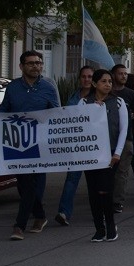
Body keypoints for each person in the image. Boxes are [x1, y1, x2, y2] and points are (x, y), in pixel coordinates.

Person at [0, 51, 61, 241]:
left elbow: (58, 114)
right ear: (21, 66)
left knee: (31, 184)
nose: (36, 66)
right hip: (16, 142)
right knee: (24, 185)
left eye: (39, 63)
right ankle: (40, 216)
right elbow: (3, 110)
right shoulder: (13, 88)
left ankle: (19, 225)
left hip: (40, 144)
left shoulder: (48, 87)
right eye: (31, 63)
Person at [82, 69, 128, 242]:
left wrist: (117, 153)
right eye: (103, 81)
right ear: (94, 84)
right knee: (93, 192)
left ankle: (110, 225)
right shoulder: (84, 102)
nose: (108, 84)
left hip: (109, 154)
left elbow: (123, 129)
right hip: (89, 155)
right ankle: (98, 228)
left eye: (109, 81)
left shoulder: (118, 102)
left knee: (104, 191)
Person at [55, 66, 94, 226]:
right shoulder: (73, 96)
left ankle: (100, 212)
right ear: (79, 78)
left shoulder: (98, 96)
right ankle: (64, 212)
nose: (86, 79)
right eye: (83, 76)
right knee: (71, 179)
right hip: (76, 147)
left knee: (95, 183)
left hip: (92, 147)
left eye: (90, 77)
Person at [111, 64, 134, 211]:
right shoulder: (107, 92)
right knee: (108, 171)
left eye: (125, 74)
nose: (123, 76)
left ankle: (117, 201)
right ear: (113, 75)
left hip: (126, 138)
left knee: (122, 171)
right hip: (107, 139)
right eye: (120, 74)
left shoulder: (130, 94)